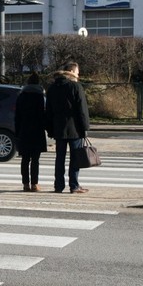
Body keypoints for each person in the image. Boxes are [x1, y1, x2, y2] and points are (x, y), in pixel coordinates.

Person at [45, 62, 91, 194]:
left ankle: (58, 186)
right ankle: (74, 185)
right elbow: (82, 110)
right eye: (77, 72)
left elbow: (48, 111)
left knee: (59, 158)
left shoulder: (52, 88)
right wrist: (85, 127)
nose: (78, 75)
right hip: (74, 129)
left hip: (58, 129)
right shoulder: (75, 86)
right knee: (75, 158)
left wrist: (49, 128)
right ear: (71, 71)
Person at [15, 71, 47, 192]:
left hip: (24, 130)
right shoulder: (40, 97)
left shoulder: (21, 96)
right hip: (37, 131)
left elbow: (17, 116)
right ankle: (34, 184)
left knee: (25, 159)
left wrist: (17, 131)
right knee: (35, 159)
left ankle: (25, 184)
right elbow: (44, 115)